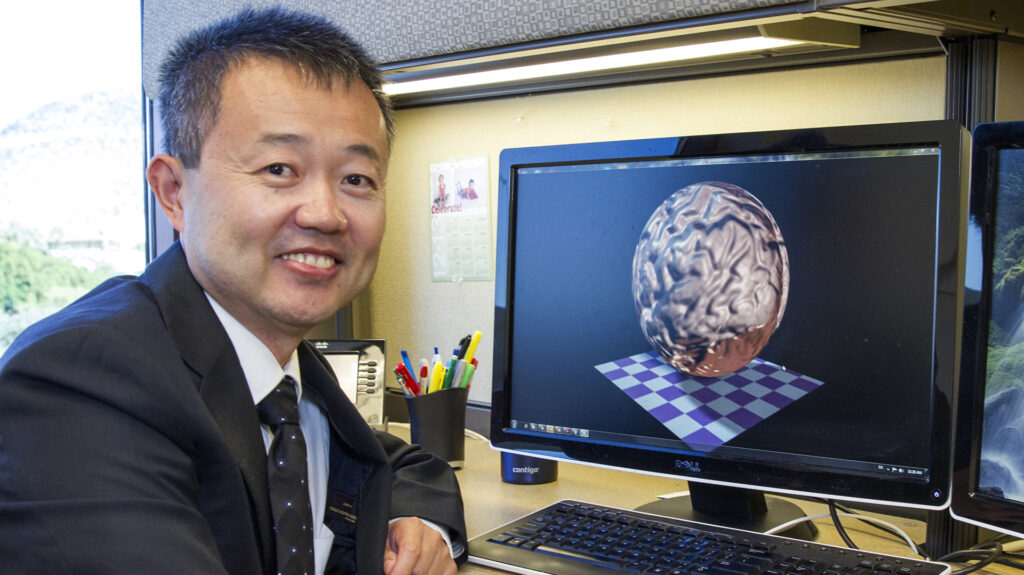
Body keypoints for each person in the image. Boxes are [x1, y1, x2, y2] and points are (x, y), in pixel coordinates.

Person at [0, 7, 466, 575]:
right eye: (278, 169)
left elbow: (396, 461)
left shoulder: (288, 383)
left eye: (356, 179)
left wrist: (423, 524)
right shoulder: (82, 381)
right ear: (174, 192)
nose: (325, 213)